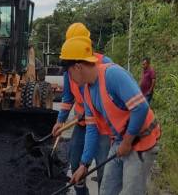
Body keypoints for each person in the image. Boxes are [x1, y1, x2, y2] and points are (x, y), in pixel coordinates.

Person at [61, 36, 161, 195]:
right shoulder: (87, 91)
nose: (70, 79)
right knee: (107, 189)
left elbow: (141, 107)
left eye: (69, 73)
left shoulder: (112, 75)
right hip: (120, 141)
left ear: (78, 67)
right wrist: (84, 165)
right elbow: (92, 130)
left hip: (142, 140)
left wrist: (127, 142)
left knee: (130, 191)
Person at [52, 23, 111, 195]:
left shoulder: (104, 65)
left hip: (103, 128)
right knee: (76, 161)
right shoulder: (69, 69)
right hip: (82, 123)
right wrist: (60, 121)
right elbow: (67, 98)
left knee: (103, 168)